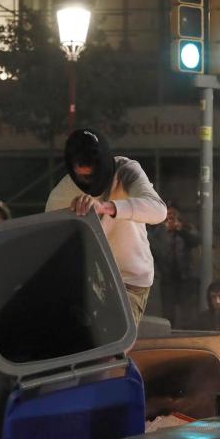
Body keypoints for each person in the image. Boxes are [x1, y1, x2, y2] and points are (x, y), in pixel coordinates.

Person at [45, 128, 167, 327]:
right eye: (83, 177)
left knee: (115, 340)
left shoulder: (126, 171)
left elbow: (158, 211)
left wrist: (106, 207)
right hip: (90, 282)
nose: (89, 182)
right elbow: (50, 244)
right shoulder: (62, 194)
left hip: (130, 280)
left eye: (94, 175)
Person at [150, 203, 201, 327]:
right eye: (168, 215)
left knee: (187, 312)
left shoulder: (186, 228)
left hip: (186, 278)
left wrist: (180, 230)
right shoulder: (158, 232)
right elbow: (154, 250)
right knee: (168, 313)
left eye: (173, 215)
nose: (170, 218)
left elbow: (196, 241)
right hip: (167, 279)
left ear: (179, 216)